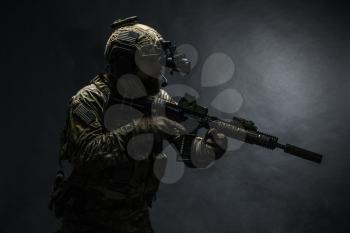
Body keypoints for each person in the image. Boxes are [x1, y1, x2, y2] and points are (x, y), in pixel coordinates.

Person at [50, 16, 227, 233]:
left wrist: (207, 150)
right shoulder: (89, 99)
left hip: (135, 215)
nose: (159, 69)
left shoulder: (158, 99)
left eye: (160, 61)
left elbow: (183, 144)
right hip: (88, 217)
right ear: (125, 64)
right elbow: (87, 155)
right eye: (150, 62)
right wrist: (144, 126)